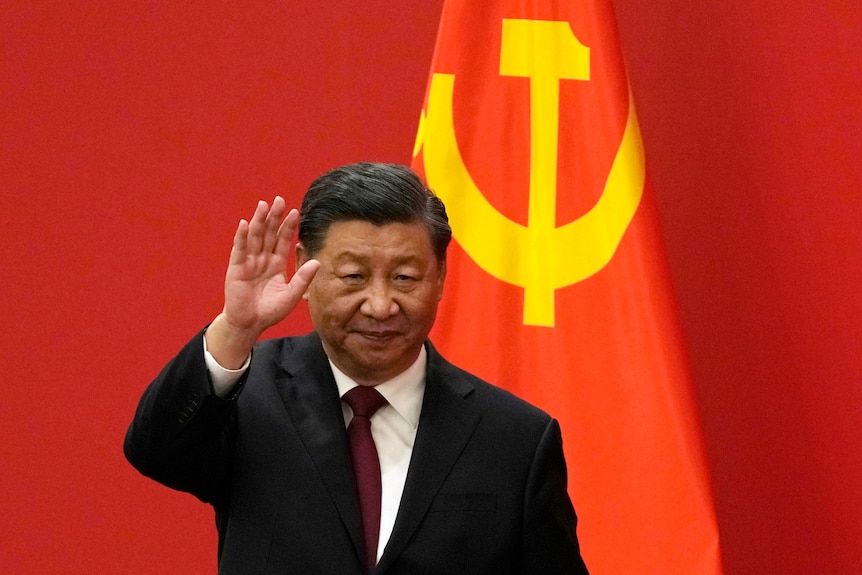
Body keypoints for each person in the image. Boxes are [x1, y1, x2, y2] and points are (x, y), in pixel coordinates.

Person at [124, 162, 589, 574]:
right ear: (305, 268)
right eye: (354, 277)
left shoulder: (515, 439)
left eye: (405, 278)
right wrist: (237, 328)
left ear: (441, 277)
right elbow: (155, 450)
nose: (382, 305)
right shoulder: (248, 395)